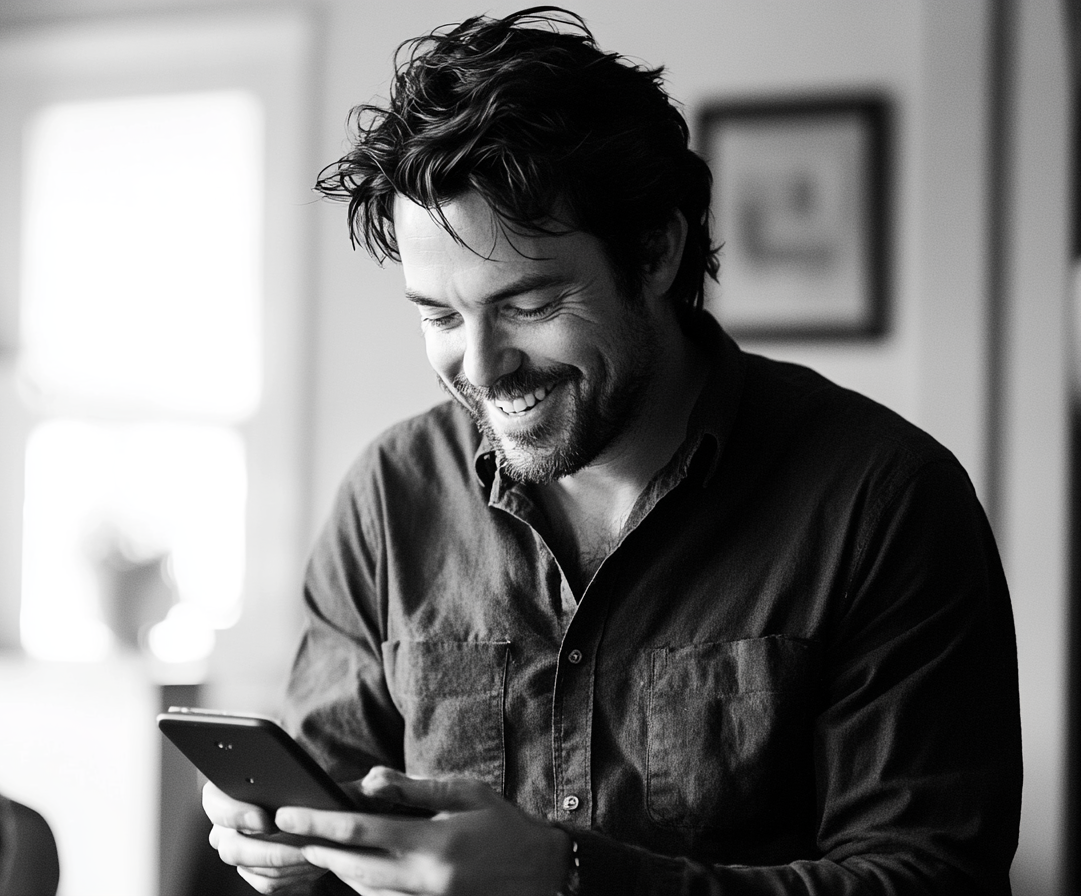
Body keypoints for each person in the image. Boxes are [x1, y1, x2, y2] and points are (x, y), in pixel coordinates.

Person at [203, 8, 1022, 894]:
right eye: (439, 316)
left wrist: (571, 878)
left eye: (527, 305)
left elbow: (931, 878)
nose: (480, 369)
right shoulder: (388, 500)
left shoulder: (886, 503)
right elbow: (337, 816)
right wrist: (289, 856)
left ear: (657, 251)